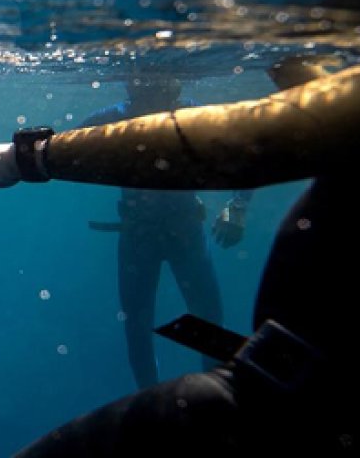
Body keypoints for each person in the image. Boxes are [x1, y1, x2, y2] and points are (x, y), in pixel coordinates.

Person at [0, 54, 360, 455]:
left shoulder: (183, 114)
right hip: (282, 382)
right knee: (142, 323)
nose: (152, 85)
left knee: (199, 315)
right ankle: (158, 384)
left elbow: (263, 135)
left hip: (273, 379)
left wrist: (25, 158)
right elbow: (310, 120)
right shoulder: (123, 114)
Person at [78, 72, 251, 388]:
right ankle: (157, 402)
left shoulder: (129, 117)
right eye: (146, 88)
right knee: (143, 326)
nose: (152, 96)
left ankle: (215, 400)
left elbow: (245, 153)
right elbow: (52, 147)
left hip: (166, 234)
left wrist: (238, 207)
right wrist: (237, 207)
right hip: (158, 235)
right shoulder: (117, 117)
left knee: (195, 323)